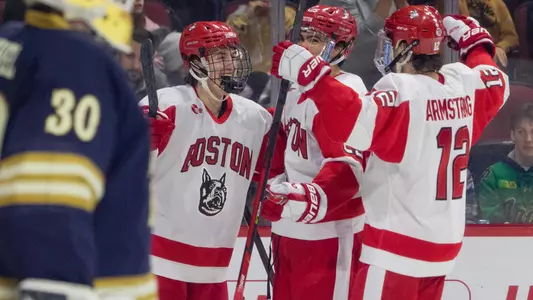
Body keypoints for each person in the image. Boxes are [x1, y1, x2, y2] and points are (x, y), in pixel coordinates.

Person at [268, 5, 509, 299]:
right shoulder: (462, 83)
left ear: (406, 48)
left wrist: (314, 77)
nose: (386, 49)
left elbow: (353, 121)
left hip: (396, 250)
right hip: (442, 252)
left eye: (392, 42)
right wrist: (476, 44)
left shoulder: (401, 90)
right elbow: (494, 78)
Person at [0, 0, 156, 299]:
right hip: (86, 284)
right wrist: (58, 288)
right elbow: (47, 194)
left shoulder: (12, 40)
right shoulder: (75, 60)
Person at [141, 21, 272, 300]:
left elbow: (272, 173)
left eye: (232, 55)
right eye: (219, 57)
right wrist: (137, 142)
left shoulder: (257, 118)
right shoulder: (165, 105)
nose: (229, 64)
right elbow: (123, 171)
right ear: (194, 63)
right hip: (159, 259)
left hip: (215, 265)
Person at [258, 5, 368, 300]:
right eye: (303, 37)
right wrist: (272, 189)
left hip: (329, 236)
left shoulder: (348, 91)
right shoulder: (294, 90)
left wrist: (299, 200)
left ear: (343, 46)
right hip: (288, 233)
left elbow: (350, 171)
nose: (304, 48)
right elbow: (282, 149)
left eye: (316, 40)